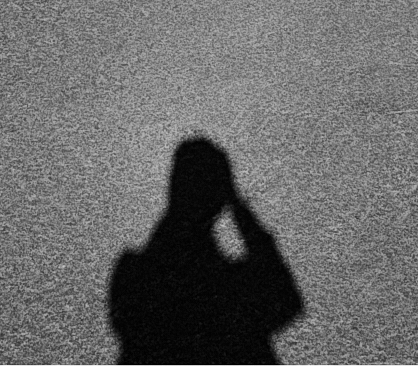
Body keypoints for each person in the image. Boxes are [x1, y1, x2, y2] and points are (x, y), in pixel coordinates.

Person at [108, 136, 304, 364]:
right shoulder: (230, 286)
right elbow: (286, 299)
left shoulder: (133, 274)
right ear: (221, 196)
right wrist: (238, 205)